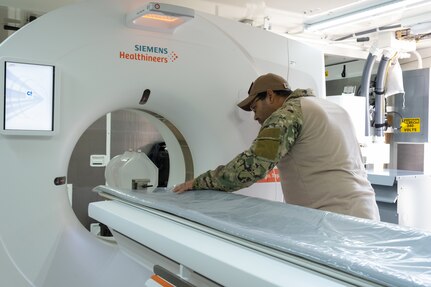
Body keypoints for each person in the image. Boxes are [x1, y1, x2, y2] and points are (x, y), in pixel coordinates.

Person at [173, 73, 380, 220]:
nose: (255, 116)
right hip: (364, 211)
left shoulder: (287, 115)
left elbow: (250, 167)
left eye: (255, 107)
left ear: (270, 96)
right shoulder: (331, 108)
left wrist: (198, 182)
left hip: (332, 218)